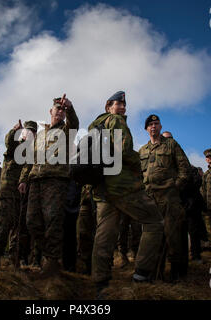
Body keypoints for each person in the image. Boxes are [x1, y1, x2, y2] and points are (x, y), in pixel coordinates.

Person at [88, 91, 164, 297]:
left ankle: (100, 283)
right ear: (108, 106)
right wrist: (137, 158)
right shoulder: (115, 121)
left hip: (101, 188)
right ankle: (142, 274)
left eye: (124, 104)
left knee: (104, 234)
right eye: (118, 103)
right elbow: (124, 150)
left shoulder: (94, 126)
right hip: (122, 186)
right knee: (154, 222)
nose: (122, 107)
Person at [19, 95, 79, 278]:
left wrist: (70, 107)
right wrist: (23, 179)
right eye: (57, 109)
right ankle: (49, 255)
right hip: (36, 181)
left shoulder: (66, 130)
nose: (60, 111)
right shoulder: (41, 134)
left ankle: (52, 263)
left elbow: (74, 123)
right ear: (50, 111)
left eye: (62, 109)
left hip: (56, 181)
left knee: (53, 220)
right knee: (32, 222)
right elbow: (30, 158)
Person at [139, 114, 190, 281]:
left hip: (169, 197)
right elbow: (139, 175)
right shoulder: (142, 150)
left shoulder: (171, 144)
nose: (153, 126)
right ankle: (156, 273)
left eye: (156, 124)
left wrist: (176, 186)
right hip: (150, 199)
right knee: (153, 237)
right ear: (146, 129)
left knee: (173, 236)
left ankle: (178, 275)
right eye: (150, 125)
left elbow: (184, 168)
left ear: (160, 127)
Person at [0, 120, 37, 267]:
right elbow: (9, 141)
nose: (30, 134)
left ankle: (13, 259)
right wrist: (13, 131)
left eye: (33, 132)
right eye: (28, 131)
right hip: (8, 192)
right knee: (3, 225)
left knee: (18, 228)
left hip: (22, 196)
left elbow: (28, 170)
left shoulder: (32, 152)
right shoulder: (15, 145)